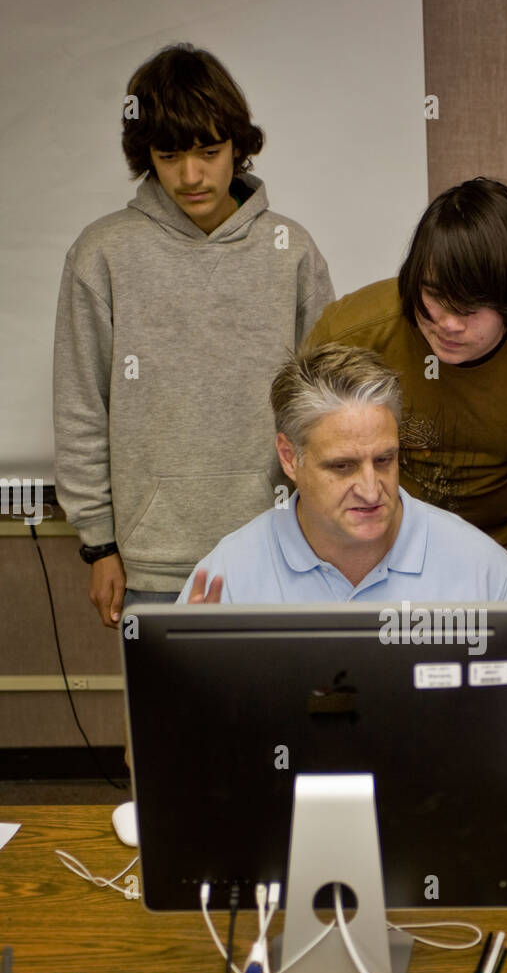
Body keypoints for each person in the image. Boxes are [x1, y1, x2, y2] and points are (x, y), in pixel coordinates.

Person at [178, 343, 507, 829]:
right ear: (289, 456)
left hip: (444, 825)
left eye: (384, 460)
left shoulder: (481, 567)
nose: (371, 489)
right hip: (281, 830)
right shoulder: (226, 576)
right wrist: (186, 691)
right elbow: (149, 752)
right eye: (342, 466)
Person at [54, 42, 334, 628]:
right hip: (152, 568)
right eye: (170, 154)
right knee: (169, 724)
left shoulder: (292, 251)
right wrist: (99, 545)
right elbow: (82, 405)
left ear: (239, 145)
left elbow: (327, 407)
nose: (191, 175)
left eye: (209, 151)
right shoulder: (102, 254)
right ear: (146, 156)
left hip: (282, 554)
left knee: (288, 721)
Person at [305, 177, 507, 578]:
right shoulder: (351, 334)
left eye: (469, 310)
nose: (447, 324)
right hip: (379, 556)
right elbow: (302, 451)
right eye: (434, 298)